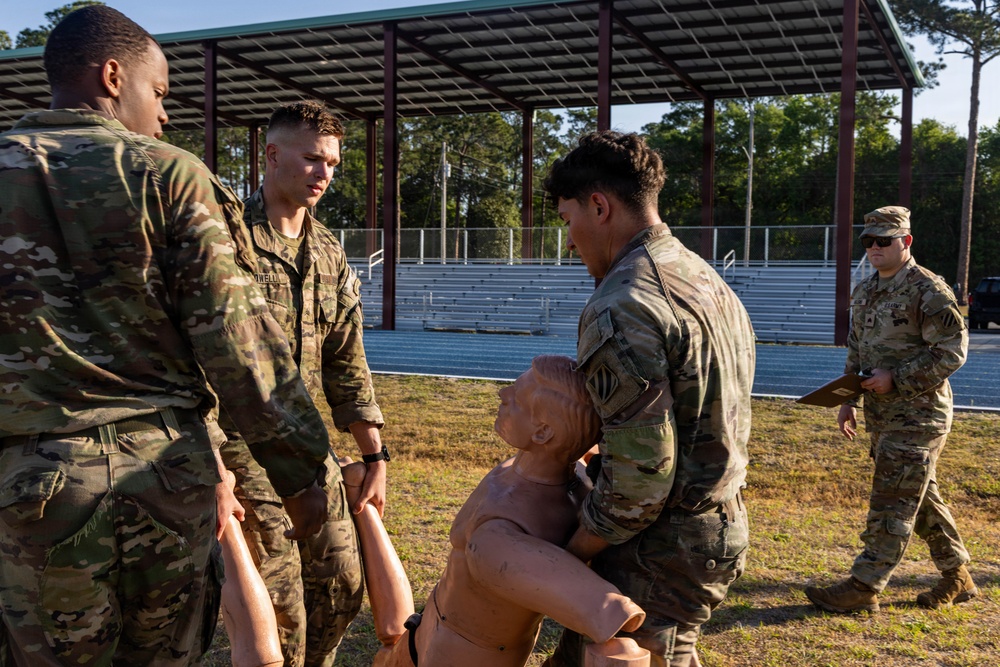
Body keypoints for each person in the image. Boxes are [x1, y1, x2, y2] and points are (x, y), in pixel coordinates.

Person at [0, 7, 332, 666]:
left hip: (34, 489)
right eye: (159, 92)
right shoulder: (172, 175)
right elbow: (243, 349)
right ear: (113, 74)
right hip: (167, 481)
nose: (164, 114)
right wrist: (309, 485)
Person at [541, 131, 756, 667]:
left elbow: (640, 482)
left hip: (660, 547)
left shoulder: (624, 302)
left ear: (599, 206)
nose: (569, 240)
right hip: (713, 525)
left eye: (568, 221)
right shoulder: (703, 277)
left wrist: (567, 559)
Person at [217, 101, 387, 667]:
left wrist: (373, 453)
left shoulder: (329, 251)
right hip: (241, 449)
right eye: (313, 158)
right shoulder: (225, 242)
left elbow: (346, 359)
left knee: (341, 587)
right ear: (270, 155)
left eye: (333, 163)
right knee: (279, 602)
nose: (325, 173)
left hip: (311, 450)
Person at [346, 355, 647, 667]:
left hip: (462, 656)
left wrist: (624, 649)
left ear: (542, 432)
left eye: (516, 397)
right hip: (426, 627)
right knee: (389, 650)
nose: (502, 395)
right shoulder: (545, 473)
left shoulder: (501, 539)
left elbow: (612, 614)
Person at [804, 206, 976, 613]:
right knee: (918, 497)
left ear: (906, 241)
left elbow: (953, 351)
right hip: (882, 416)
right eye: (869, 241)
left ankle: (864, 586)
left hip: (920, 415)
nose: (875, 247)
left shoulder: (928, 290)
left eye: (885, 239)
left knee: (892, 500)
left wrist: (896, 378)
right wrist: (848, 398)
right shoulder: (865, 291)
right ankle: (958, 576)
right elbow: (857, 350)